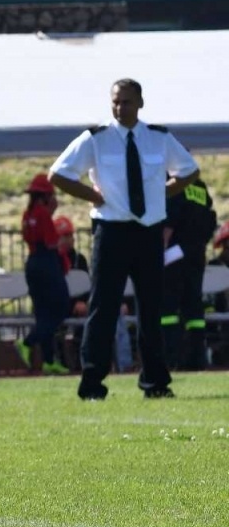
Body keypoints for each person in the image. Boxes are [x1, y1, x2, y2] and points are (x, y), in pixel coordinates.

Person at [49, 78, 199, 401]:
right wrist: (91, 194)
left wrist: (164, 191)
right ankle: (92, 384)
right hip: (111, 231)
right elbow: (57, 174)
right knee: (102, 308)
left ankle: (155, 382)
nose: (120, 107)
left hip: (148, 231)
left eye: (127, 102)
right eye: (115, 101)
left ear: (140, 103)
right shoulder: (96, 138)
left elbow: (189, 170)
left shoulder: (158, 138)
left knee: (151, 308)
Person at [16, 174, 70, 374]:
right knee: (61, 306)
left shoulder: (27, 214)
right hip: (47, 263)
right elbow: (51, 242)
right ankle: (27, 342)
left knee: (42, 313)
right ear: (45, 196)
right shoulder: (43, 214)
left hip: (32, 263)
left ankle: (48, 360)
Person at [160, 176, 215, 371]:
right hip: (196, 253)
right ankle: (197, 357)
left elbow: (170, 219)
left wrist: (161, 249)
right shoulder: (199, 186)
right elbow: (209, 217)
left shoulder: (174, 184)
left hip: (174, 253)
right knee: (194, 308)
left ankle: (170, 358)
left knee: (167, 307)